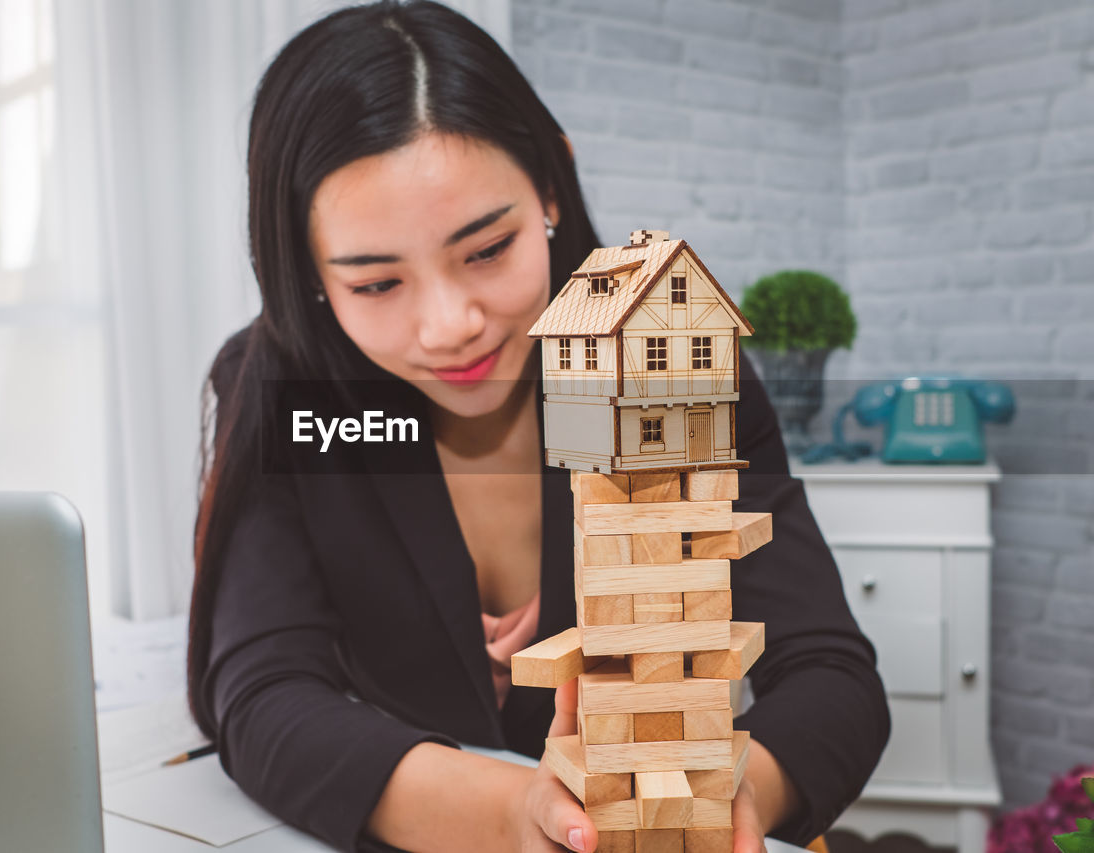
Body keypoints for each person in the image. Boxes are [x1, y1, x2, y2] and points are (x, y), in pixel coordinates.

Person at [185, 3, 890, 852]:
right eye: (376, 283)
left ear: (551, 185)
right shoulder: (288, 390)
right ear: (307, 271)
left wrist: (734, 797)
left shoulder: (655, 363)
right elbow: (262, 697)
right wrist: (516, 811)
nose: (450, 324)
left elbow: (831, 675)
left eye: (487, 250)